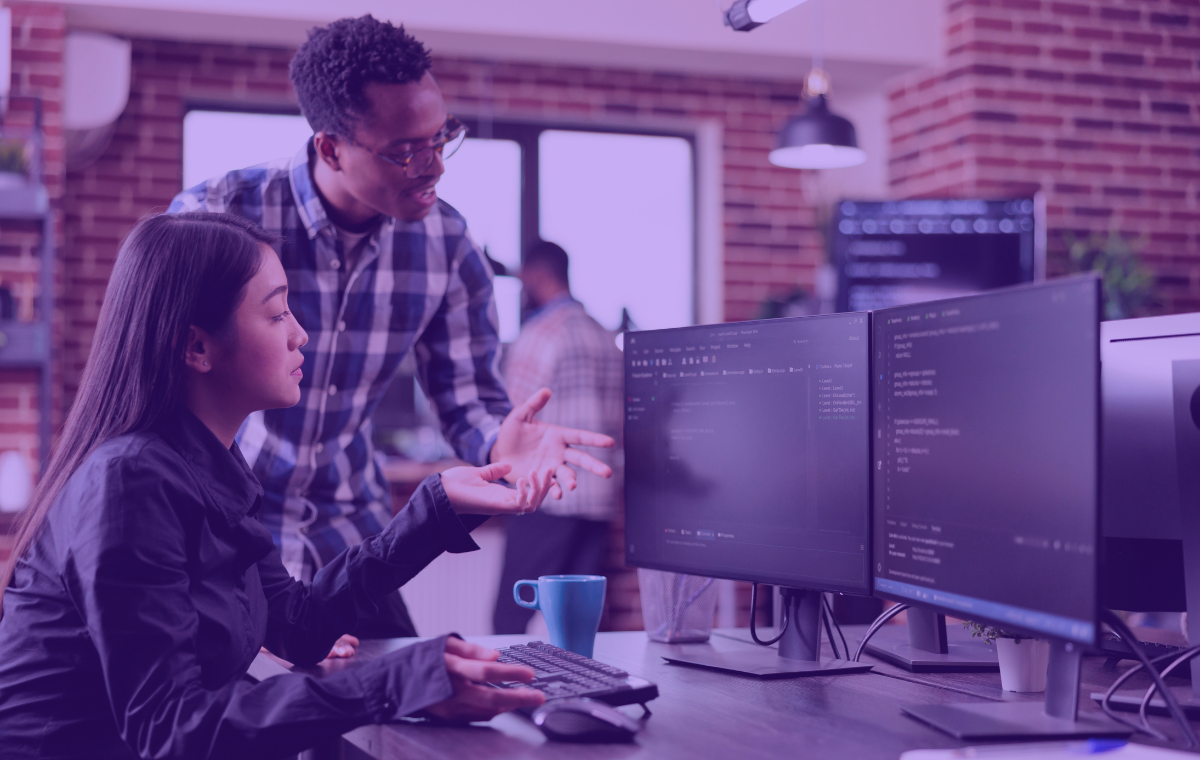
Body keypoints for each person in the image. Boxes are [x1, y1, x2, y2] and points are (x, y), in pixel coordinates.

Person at [0, 212, 551, 759]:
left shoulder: (209, 461)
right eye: (276, 313)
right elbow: (169, 731)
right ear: (196, 347)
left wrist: (436, 511)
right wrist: (394, 683)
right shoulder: (128, 481)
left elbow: (296, 623)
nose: (300, 333)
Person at [169, 16, 613, 640]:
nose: (433, 167)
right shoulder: (218, 217)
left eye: (442, 138)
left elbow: (469, 401)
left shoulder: (447, 243)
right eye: (406, 150)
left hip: (349, 527)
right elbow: (164, 402)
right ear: (331, 148)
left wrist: (498, 446)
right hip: (224, 525)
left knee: (406, 710)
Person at [493, 241, 624, 635]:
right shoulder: (602, 334)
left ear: (537, 274)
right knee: (579, 623)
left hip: (548, 495)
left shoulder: (540, 334)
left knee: (509, 617)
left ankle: (506, 695)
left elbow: (512, 417)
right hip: (598, 495)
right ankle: (582, 692)